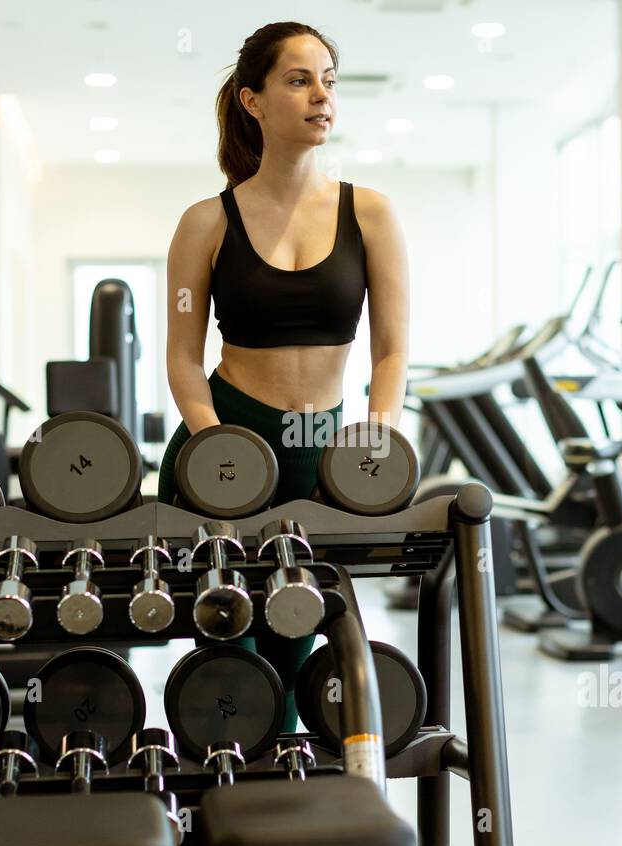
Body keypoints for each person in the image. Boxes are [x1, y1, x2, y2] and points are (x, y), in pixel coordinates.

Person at [159, 21, 410, 730]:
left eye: (328, 80)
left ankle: (292, 790)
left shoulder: (371, 213)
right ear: (254, 101)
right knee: (228, 656)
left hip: (319, 452)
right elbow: (182, 356)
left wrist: (374, 441)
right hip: (224, 441)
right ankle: (222, 783)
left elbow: (391, 351)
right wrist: (214, 445)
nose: (321, 95)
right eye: (299, 81)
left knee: (298, 650)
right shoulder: (205, 223)